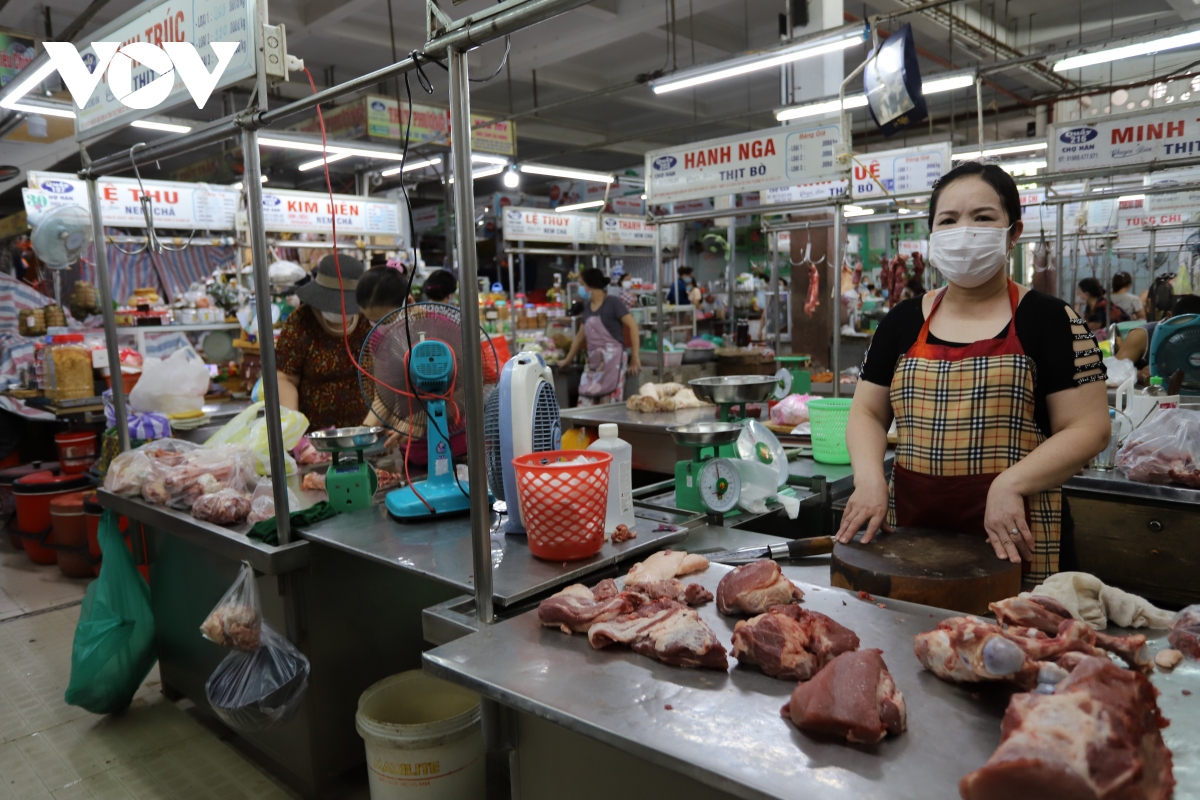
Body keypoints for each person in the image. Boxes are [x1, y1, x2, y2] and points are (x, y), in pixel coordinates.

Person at [835, 161, 1110, 588]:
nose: (964, 230)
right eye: (948, 220)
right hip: (910, 527)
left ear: (1013, 232)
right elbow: (868, 413)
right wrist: (869, 478)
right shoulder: (902, 322)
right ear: (932, 237)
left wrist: (1011, 483)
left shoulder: (1051, 319)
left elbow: (1090, 427)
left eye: (983, 218)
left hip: (1016, 530)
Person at [276, 255, 370, 431]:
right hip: (315, 440)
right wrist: (292, 430)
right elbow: (285, 379)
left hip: (366, 430)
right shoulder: (300, 322)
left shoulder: (368, 320)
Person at [559, 267, 641, 406]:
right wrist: (566, 361)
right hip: (594, 363)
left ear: (590, 286)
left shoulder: (613, 303)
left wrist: (635, 357)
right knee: (585, 404)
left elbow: (633, 326)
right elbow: (579, 338)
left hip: (613, 362)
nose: (581, 289)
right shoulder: (588, 308)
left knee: (608, 408)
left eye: (582, 284)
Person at [1115, 294, 1200, 384]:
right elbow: (1114, 372)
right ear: (1169, 316)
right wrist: (1139, 374)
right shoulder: (1142, 336)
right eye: (1182, 330)